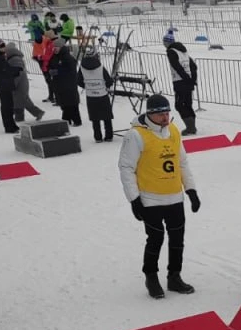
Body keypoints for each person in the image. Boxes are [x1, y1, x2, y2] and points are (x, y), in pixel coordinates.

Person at [118, 92, 200, 299]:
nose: (165, 117)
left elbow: (182, 162)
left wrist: (191, 190)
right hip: (150, 198)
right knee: (155, 239)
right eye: (160, 114)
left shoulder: (173, 130)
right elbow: (126, 168)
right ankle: (151, 276)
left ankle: (174, 276)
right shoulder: (135, 135)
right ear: (150, 114)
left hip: (174, 196)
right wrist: (134, 199)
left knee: (177, 239)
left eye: (167, 113)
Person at [165, 36, 198, 135]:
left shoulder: (171, 51)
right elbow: (193, 66)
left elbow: (177, 67)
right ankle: (192, 127)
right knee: (187, 104)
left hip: (180, 82)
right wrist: (192, 79)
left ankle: (190, 127)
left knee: (179, 105)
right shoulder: (183, 51)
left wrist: (186, 78)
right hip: (188, 82)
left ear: (166, 42)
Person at [79, 49, 114, 141]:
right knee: (106, 117)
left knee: (95, 118)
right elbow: (109, 80)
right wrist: (106, 86)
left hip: (90, 95)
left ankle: (98, 137)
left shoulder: (82, 68)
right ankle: (109, 136)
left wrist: (87, 86)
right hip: (102, 94)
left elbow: (78, 81)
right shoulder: (101, 67)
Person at [5, 41, 44, 122]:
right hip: (20, 83)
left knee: (21, 100)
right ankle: (20, 117)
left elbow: (17, 73)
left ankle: (36, 113)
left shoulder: (15, 59)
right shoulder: (15, 58)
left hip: (19, 83)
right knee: (19, 100)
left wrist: (13, 83)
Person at [50, 37, 82, 126]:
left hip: (68, 84)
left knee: (71, 103)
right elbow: (51, 65)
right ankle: (66, 119)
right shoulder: (54, 57)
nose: (55, 49)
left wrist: (58, 71)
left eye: (56, 47)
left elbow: (71, 70)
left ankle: (76, 120)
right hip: (59, 84)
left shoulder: (68, 57)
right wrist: (50, 70)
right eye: (54, 47)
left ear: (61, 47)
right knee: (63, 103)